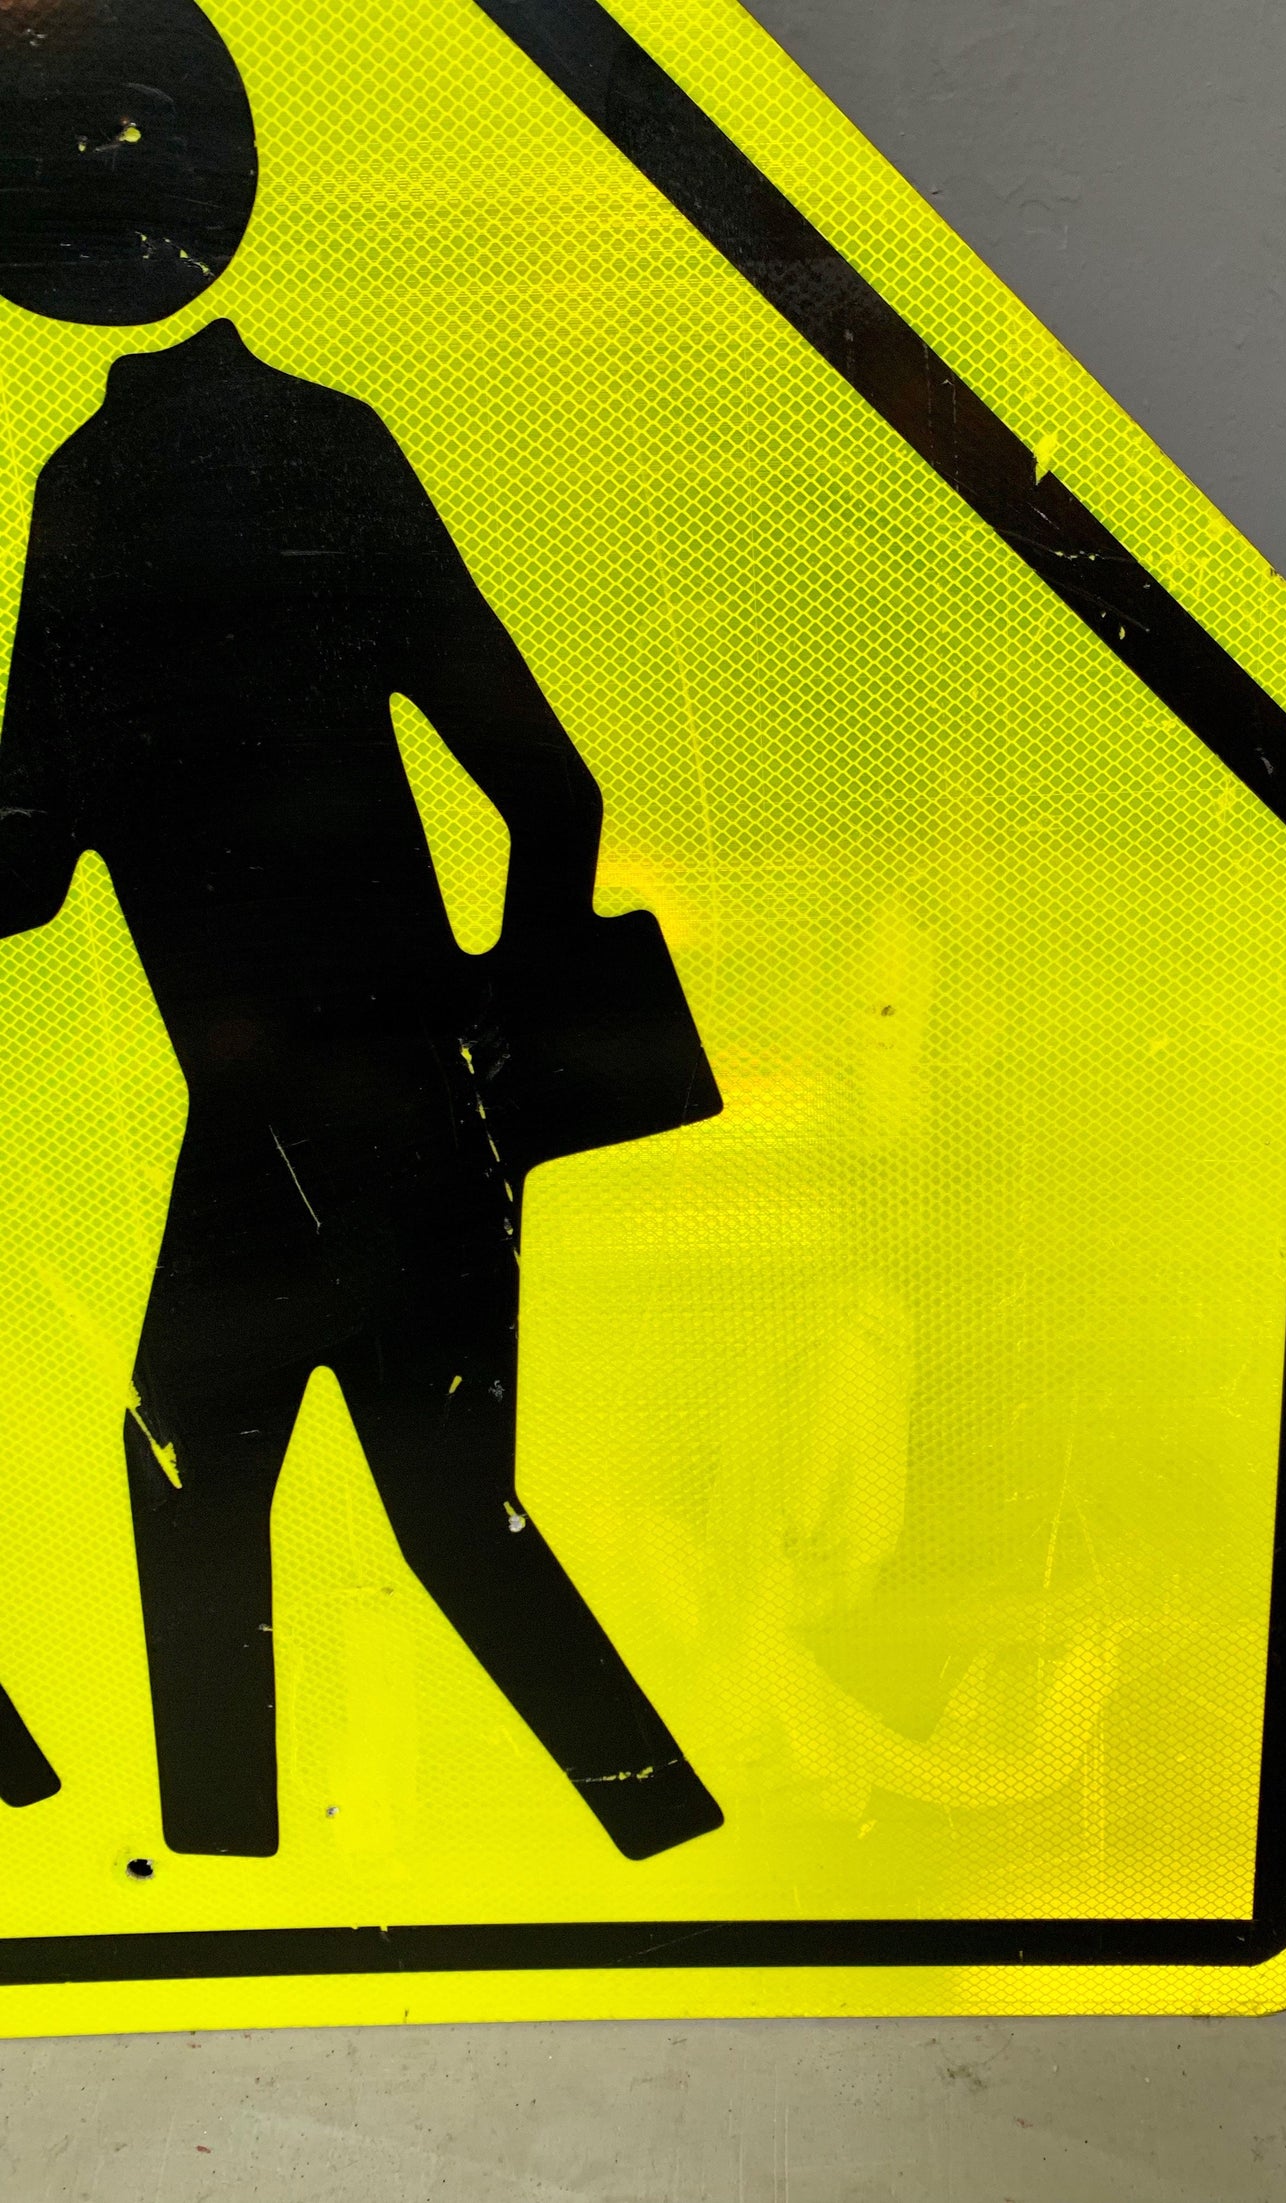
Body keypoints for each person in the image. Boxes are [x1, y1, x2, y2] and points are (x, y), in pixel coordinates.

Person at [0, 0, 722, 1862]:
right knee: (364, 1499)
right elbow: (543, 790)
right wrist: (497, 1040)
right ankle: (579, 1829)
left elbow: (21, 866)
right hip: (354, 1107)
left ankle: (275, 1844)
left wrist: (477, 1056)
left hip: (316, 1109)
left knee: (273, 1483)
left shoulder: (92, 498)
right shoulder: (289, 451)